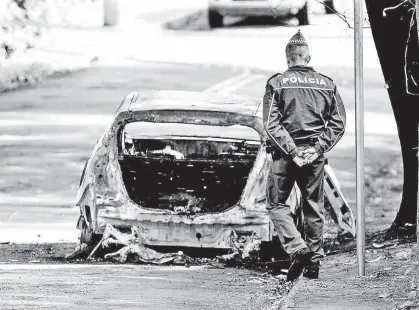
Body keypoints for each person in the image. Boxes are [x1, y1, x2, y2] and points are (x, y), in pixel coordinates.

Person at [263, 30, 346, 281]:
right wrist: (317, 148)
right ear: (307, 56)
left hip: (285, 156)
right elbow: (338, 123)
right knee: (313, 206)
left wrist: (293, 151)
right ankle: (314, 263)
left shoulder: (276, 83)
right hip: (314, 156)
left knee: (276, 204)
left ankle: (298, 249)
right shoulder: (327, 84)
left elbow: (271, 123)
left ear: (288, 59)